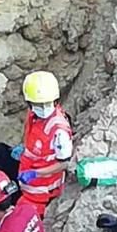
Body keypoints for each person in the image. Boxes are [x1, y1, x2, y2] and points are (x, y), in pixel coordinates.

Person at [16, 71, 74, 217]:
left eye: (46, 104)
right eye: (38, 104)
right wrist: (23, 149)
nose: (43, 108)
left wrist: (35, 173)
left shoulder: (59, 131)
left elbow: (64, 163)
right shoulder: (33, 115)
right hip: (27, 176)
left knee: (20, 218)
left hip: (42, 191)